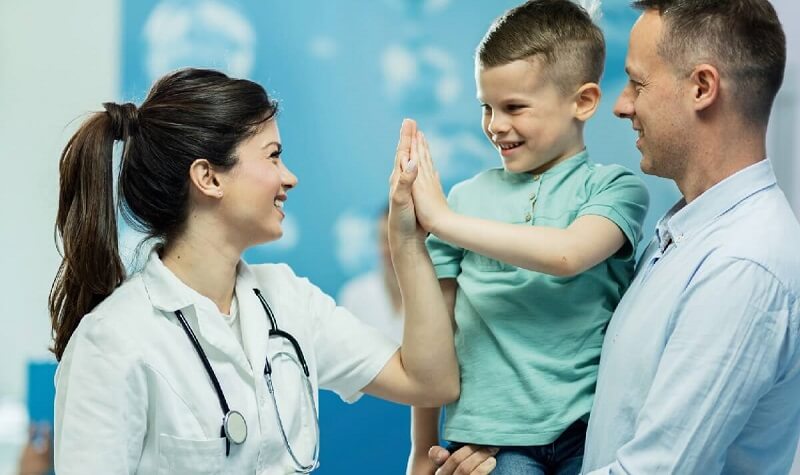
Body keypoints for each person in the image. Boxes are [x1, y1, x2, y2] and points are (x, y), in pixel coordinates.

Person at [49, 68, 458, 474]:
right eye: (273, 156)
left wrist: (405, 242)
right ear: (208, 178)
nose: (290, 178)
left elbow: (430, 382)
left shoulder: (288, 299)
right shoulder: (112, 340)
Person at [405, 1, 649, 474]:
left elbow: (567, 254)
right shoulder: (463, 199)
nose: (495, 125)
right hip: (488, 446)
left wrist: (441, 221)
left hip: (591, 432)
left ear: (583, 101)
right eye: (487, 107)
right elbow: (436, 331)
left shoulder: (614, 189)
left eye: (515, 107)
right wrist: (421, 447)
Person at [579, 1, 800, 473]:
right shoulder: (688, 236)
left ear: (702, 87)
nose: (621, 105)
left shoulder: (742, 266)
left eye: (637, 83)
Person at [338, 206, 403, 343]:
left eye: (397, 240)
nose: (389, 249)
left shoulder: (436, 295)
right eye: (383, 239)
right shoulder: (355, 294)